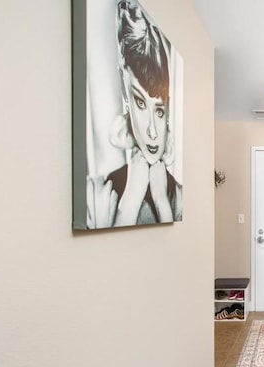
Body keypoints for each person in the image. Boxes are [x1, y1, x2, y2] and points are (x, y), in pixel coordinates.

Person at [87, 0, 181, 228]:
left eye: (159, 111)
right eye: (140, 102)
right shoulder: (96, 196)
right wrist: (130, 200)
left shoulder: (179, 198)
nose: (151, 130)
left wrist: (161, 201)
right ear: (125, 92)